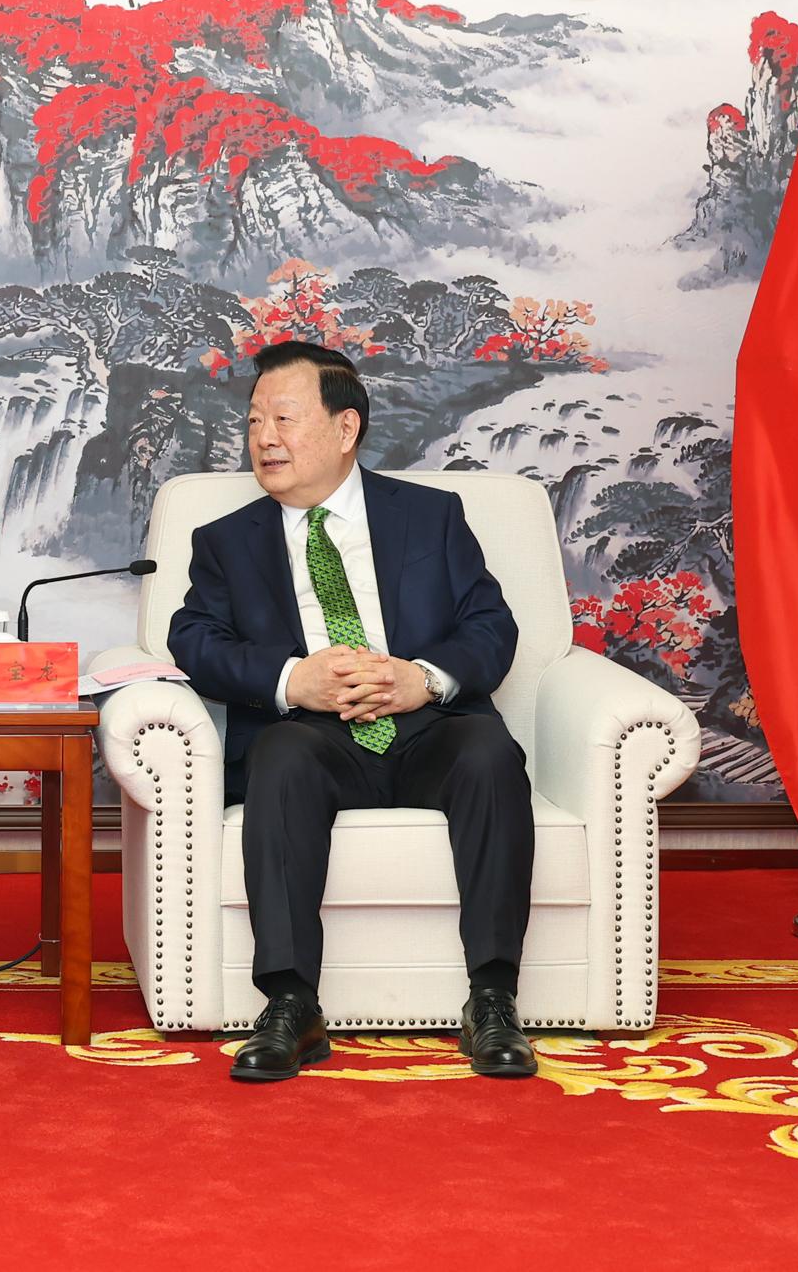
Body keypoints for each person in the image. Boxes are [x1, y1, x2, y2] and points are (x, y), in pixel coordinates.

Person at [168, 340, 537, 1083]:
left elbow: (491, 627)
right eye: (253, 422)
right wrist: (290, 680)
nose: (264, 438)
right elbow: (193, 638)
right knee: (277, 757)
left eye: (283, 418)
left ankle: (493, 1000)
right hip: (312, 735)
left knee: (489, 755)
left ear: (345, 428)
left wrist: (421, 679)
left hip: (428, 727)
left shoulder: (430, 516)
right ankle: (289, 1005)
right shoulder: (226, 541)